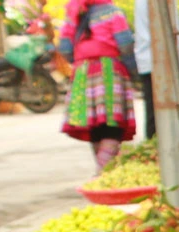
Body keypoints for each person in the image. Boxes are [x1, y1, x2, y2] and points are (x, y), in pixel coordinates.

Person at [58, 0, 137, 170]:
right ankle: (104, 171)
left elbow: (64, 48)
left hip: (82, 73)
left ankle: (104, 170)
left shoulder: (73, 12)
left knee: (94, 125)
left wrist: (81, 59)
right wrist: (133, 71)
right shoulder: (112, 12)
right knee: (112, 123)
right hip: (109, 71)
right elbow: (125, 45)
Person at [134, 0, 179, 140]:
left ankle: (154, 147)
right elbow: (173, 32)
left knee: (154, 116)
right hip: (165, 60)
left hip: (149, 61)